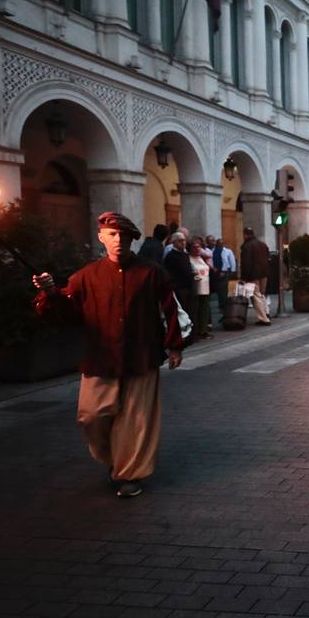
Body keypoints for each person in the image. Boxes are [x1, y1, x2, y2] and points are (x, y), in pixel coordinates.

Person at [32, 212, 184, 498]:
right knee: (91, 415)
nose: (119, 241)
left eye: (124, 236)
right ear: (101, 237)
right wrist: (50, 293)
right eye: (112, 235)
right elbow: (66, 312)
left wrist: (174, 344)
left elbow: (171, 308)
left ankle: (129, 474)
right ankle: (114, 458)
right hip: (100, 357)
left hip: (141, 356)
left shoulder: (151, 273)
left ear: (132, 240)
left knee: (136, 420)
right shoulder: (85, 276)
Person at [163, 233, 195, 341]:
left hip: (189, 286)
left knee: (190, 310)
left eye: (184, 240)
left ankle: (190, 333)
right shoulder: (171, 256)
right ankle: (180, 334)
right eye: (180, 241)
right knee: (181, 312)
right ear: (174, 242)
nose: (183, 243)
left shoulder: (185, 255)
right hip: (179, 288)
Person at [240, 227, 272, 325]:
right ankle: (266, 312)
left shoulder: (247, 246)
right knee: (262, 294)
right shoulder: (263, 244)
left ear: (245, 235)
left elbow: (246, 263)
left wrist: (244, 278)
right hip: (264, 273)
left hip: (253, 275)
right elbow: (268, 258)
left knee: (256, 296)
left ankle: (264, 319)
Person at [187, 239, 212, 338]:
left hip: (205, 287)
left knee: (204, 309)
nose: (197, 249)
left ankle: (203, 330)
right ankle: (196, 331)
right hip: (196, 287)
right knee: (196, 309)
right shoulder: (189, 259)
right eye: (195, 247)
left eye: (199, 247)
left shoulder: (201, 258)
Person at [210, 236, 236, 317]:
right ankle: (221, 304)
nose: (219, 244)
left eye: (221, 243)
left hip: (225, 272)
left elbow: (232, 261)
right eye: (218, 243)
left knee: (223, 290)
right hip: (215, 272)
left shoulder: (228, 251)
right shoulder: (212, 251)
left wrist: (232, 270)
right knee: (218, 290)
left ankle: (224, 306)